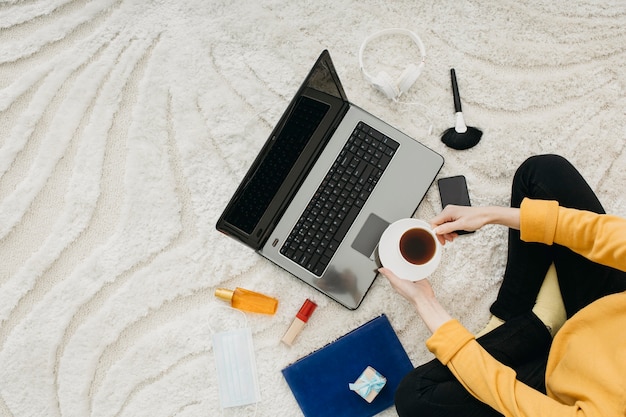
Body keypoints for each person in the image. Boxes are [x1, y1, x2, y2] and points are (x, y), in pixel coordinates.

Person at [379, 154, 626, 417]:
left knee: (415, 396)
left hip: (567, 395)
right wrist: (487, 215)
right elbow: (603, 234)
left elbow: (508, 397)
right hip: (607, 310)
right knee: (540, 173)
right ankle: (517, 313)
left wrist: (425, 302)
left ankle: (536, 326)